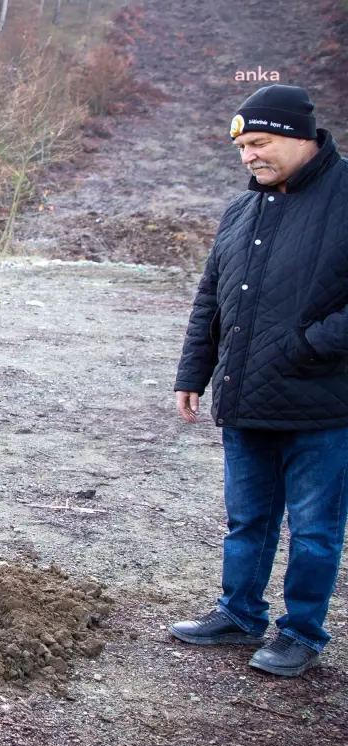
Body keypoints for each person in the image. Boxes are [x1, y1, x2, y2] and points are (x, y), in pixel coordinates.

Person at [169, 85, 348, 678]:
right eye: (243, 147)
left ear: (301, 136)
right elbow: (210, 298)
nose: (249, 156)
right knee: (247, 518)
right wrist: (195, 370)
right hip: (246, 397)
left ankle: (301, 632)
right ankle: (239, 613)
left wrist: (307, 346)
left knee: (315, 530)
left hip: (323, 403)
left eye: (260, 143)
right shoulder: (243, 208)